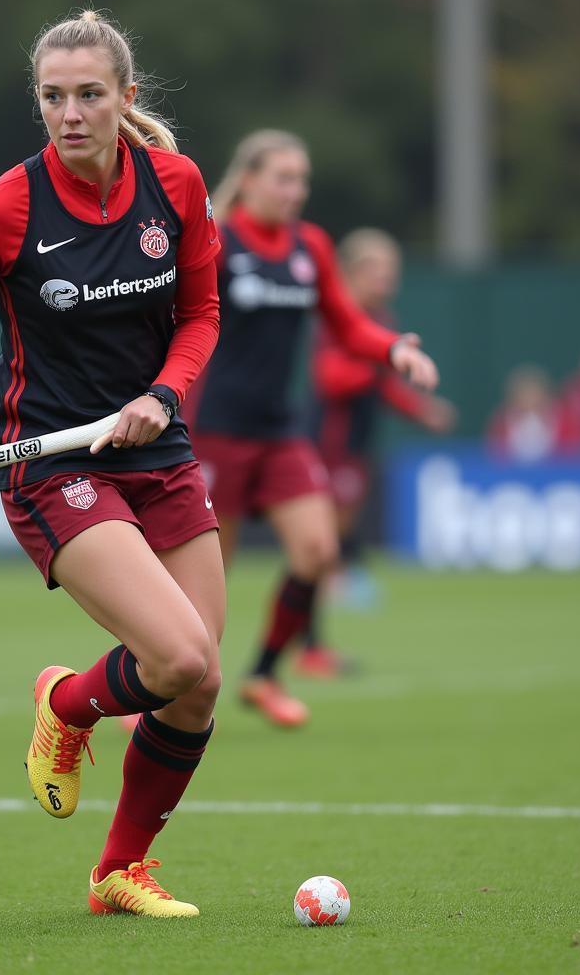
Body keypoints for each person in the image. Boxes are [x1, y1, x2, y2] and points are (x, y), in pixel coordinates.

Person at [0, 10, 223, 918]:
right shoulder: (7, 207)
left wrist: (164, 398)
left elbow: (202, 314)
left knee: (199, 681)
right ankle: (68, 705)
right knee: (176, 655)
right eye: (53, 97)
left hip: (156, 446)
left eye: (89, 95)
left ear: (125, 99)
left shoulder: (175, 185)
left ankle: (118, 873)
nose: (70, 114)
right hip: (53, 459)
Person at [188, 131, 440, 726]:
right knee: (204, 581)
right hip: (216, 430)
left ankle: (265, 674)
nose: (294, 190)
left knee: (318, 551)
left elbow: (347, 323)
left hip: (280, 430)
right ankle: (151, 684)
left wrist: (392, 348)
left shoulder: (311, 246)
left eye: (301, 179)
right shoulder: (218, 242)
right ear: (247, 179)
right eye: (282, 177)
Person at [308, 228, 455, 626]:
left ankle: (332, 587)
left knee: (347, 517)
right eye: (380, 270)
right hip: (332, 434)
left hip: (361, 431)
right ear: (354, 272)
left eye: (393, 270)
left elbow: (385, 383)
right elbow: (329, 377)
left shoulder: (382, 320)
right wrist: (372, 370)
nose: (388, 279)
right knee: (326, 526)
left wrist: (422, 410)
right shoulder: (340, 319)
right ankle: (324, 595)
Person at [486, 365, 563, 462]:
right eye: (524, 394)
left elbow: (573, 453)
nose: (530, 399)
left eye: (534, 393)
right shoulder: (502, 421)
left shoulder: (562, 419)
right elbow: (495, 453)